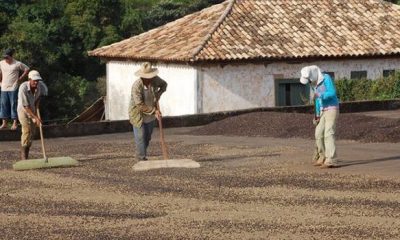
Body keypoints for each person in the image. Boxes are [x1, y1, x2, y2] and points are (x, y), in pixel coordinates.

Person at [300, 65, 339, 168]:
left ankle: (331, 159)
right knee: (318, 134)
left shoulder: (326, 78)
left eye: (308, 79)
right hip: (322, 111)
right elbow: (317, 101)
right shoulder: (314, 84)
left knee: (328, 132)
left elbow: (332, 92)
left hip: (331, 108)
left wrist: (321, 95)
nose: (308, 82)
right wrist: (316, 114)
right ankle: (322, 157)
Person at [129, 62, 167, 161]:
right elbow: (139, 105)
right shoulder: (136, 86)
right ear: (142, 77)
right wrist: (154, 111)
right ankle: (141, 158)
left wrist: (158, 94)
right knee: (140, 137)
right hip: (138, 114)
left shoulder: (155, 80)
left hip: (151, 114)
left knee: (147, 137)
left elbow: (164, 85)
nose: (148, 79)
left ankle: (140, 153)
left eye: (150, 77)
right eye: (146, 77)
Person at [17, 70, 48, 160]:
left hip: (33, 109)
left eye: (37, 80)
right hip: (23, 110)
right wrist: (36, 118)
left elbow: (40, 96)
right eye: (34, 80)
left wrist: (37, 105)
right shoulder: (23, 88)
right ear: (29, 79)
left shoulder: (41, 86)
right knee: (27, 130)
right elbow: (26, 106)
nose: (36, 82)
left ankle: (26, 152)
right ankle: (24, 157)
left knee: (32, 133)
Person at [0, 48, 30, 130]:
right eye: (4, 57)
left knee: (14, 104)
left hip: (13, 87)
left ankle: (14, 123)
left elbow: (27, 69)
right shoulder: (1, 63)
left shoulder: (17, 63)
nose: (5, 59)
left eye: (7, 57)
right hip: (3, 87)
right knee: (3, 104)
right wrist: (0, 82)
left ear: (11, 56)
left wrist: (20, 78)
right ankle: (4, 123)